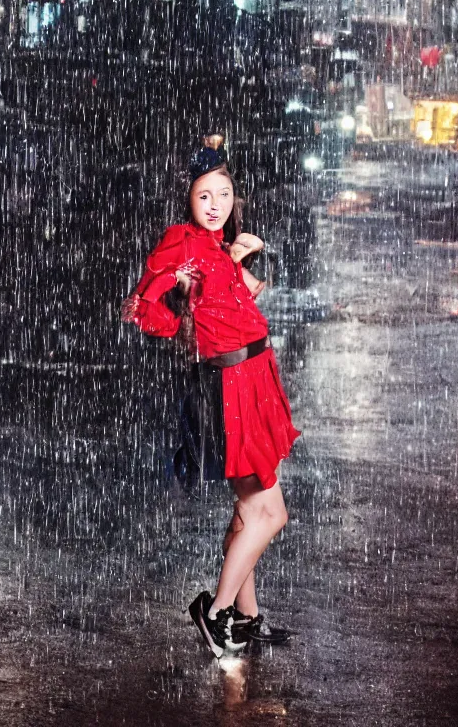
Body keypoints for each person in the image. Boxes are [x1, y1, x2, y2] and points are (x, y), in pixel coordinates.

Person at [121, 136, 299, 658]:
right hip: (230, 384)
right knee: (269, 513)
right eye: (205, 196)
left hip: (254, 375)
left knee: (250, 508)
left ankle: (246, 617)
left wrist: (241, 263)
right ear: (189, 202)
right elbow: (140, 304)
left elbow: (231, 307)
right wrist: (176, 324)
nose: (216, 204)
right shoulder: (182, 241)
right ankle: (216, 612)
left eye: (223, 194)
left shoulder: (220, 245)